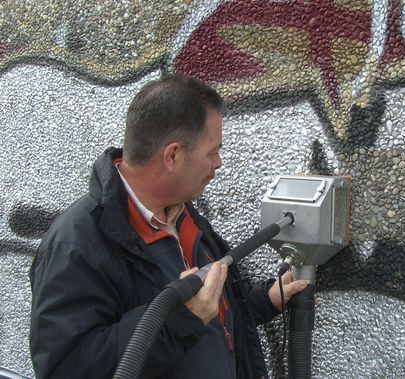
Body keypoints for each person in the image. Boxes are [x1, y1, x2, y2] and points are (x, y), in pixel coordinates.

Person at [29, 74, 307, 378]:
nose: (219, 163)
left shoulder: (183, 216)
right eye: (212, 151)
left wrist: (263, 301)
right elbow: (66, 369)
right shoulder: (76, 245)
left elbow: (207, 316)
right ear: (173, 155)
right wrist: (179, 322)